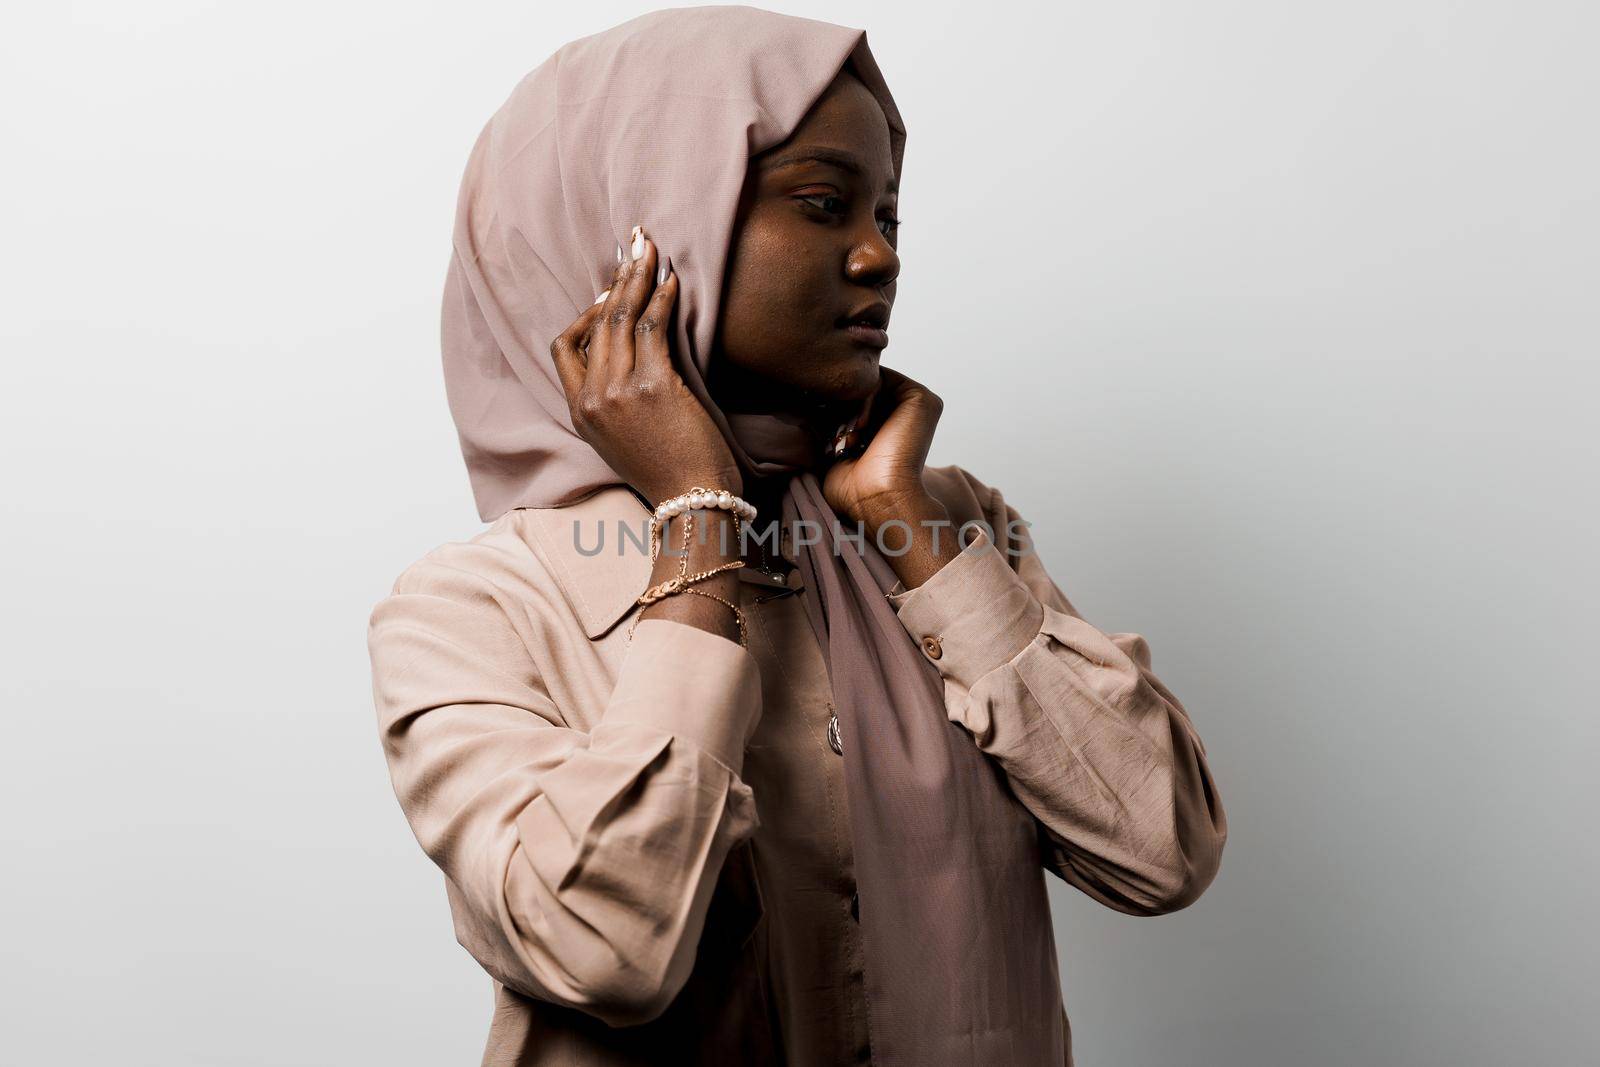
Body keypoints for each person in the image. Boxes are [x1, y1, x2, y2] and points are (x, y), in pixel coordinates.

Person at [366, 7, 1227, 1065]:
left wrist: (910, 530)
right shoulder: (475, 608)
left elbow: (1162, 852)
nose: (876, 258)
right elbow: (602, 948)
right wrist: (697, 522)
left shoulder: (951, 526)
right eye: (822, 204)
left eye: (889, 218)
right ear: (636, 241)